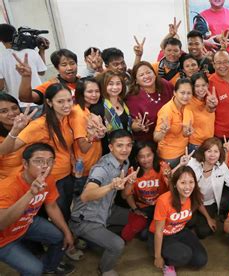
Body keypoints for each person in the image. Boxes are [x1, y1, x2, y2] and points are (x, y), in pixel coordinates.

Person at [0, 83, 79, 221]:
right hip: (51, 179)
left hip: (66, 176)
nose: (66, 105)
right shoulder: (39, 125)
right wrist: (15, 130)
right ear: (49, 102)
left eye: (69, 100)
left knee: (65, 211)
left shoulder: (66, 118)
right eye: (60, 101)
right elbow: (7, 150)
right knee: (57, 214)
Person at [69, 129, 139, 276]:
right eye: (119, 145)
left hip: (107, 210)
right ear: (111, 147)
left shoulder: (125, 162)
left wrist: (129, 183)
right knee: (117, 244)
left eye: (128, 145)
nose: (125, 149)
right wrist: (111, 186)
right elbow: (86, 196)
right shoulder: (101, 168)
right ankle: (105, 269)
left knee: (136, 219)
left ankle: (96, 240)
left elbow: (125, 193)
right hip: (86, 219)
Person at [0, 143, 75, 275]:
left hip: (27, 224)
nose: (46, 165)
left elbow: (51, 206)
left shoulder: (49, 180)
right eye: (39, 161)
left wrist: (67, 231)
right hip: (4, 240)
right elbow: (1, 224)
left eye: (50, 161)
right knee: (34, 270)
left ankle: (49, 267)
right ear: (25, 164)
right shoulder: (7, 187)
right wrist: (30, 193)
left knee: (60, 236)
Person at [148, 166, 208, 276]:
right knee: (184, 255)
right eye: (183, 182)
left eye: (191, 182)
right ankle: (168, 263)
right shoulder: (164, 200)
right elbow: (159, 231)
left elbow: (199, 205)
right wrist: (158, 257)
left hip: (180, 231)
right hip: (162, 236)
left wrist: (209, 218)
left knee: (201, 260)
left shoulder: (193, 197)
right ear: (175, 184)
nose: (188, 187)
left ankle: (178, 251)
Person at [185, 137, 229, 238]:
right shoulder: (192, 163)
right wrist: (208, 218)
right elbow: (194, 196)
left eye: (216, 151)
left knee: (204, 232)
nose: (212, 155)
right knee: (187, 222)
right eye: (209, 151)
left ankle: (196, 222)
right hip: (191, 201)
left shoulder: (221, 166)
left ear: (220, 154)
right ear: (203, 152)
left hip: (208, 203)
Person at [121, 141, 170, 242]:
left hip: (162, 206)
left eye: (149, 155)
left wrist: (169, 178)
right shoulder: (132, 172)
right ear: (136, 158)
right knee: (144, 235)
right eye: (141, 156)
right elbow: (125, 195)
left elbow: (173, 192)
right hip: (144, 207)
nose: (146, 160)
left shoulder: (163, 166)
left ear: (154, 155)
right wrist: (135, 209)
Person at [69, 77, 106, 196]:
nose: (94, 95)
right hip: (83, 169)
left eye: (97, 91)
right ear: (80, 93)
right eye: (90, 92)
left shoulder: (86, 110)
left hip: (92, 165)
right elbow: (83, 147)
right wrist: (93, 135)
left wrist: (100, 134)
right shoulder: (78, 114)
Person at [0, 24, 47, 108]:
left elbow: (1, 86)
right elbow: (42, 72)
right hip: (38, 99)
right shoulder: (31, 52)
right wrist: (42, 51)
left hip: (17, 104)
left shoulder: (1, 58)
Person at [126, 61, 174, 142]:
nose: (146, 76)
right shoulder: (132, 98)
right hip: (147, 141)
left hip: (172, 134)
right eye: (141, 75)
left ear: (154, 74)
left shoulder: (165, 84)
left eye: (148, 72)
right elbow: (132, 125)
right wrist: (138, 126)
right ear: (136, 81)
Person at [154, 78, 194, 167]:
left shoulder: (188, 106)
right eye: (182, 93)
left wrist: (188, 132)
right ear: (175, 93)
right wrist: (163, 131)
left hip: (184, 152)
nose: (186, 96)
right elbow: (156, 137)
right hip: (169, 156)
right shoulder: (166, 111)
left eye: (189, 93)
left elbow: (184, 133)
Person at [0, 93, 32, 179]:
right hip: (8, 185)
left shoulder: (31, 125)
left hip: (35, 181)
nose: (12, 113)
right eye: (4, 111)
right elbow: (2, 151)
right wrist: (15, 130)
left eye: (14, 108)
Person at [188, 72, 217, 152]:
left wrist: (213, 105)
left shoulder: (210, 99)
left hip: (209, 143)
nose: (201, 89)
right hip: (195, 145)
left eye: (203, 85)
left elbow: (210, 110)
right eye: (197, 86)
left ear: (207, 85)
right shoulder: (188, 102)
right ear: (192, 87)